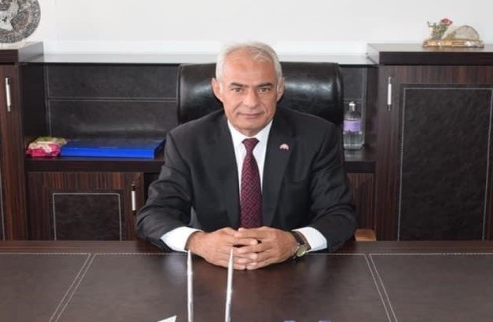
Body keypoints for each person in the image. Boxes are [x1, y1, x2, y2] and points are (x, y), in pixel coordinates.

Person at [135, 42, 356, 270]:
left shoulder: (317, 137)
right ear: (218, 89)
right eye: (238, 89)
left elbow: (339, 214)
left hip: (294, 268)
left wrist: (295, 241)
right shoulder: (187, 141)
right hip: (214, 270)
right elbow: (154, 215)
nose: (251, 102)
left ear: (280, 89)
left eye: (264, 89)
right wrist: (199, 242)